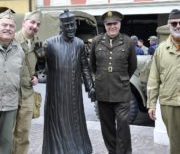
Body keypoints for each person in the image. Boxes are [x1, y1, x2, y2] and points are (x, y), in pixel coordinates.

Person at [42, 9, 95, 154]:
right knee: (58, 124)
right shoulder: (50, 44)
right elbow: (39, 65)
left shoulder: (79, 44)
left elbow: (85, 67)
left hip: (73, 93)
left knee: (76, 123)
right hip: (56, 95)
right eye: (67, 26)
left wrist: (90, 87)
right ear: (61, 27)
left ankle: (78, 149)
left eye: (73, 25)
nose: (71, 28)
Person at [90, 11, 137, 154]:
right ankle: (112, 151)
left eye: (115, 23)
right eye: (108, 24)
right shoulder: (97, 41)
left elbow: (132, 66)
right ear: (104, 25)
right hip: (103, 90)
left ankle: (124, 152)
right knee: (107, 126)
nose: (112, 27)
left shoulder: (127, 41)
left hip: (121, 91)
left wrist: (121, 78)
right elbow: (92, 65)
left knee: (123, 124)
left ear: (119, 24)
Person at [147, 9, 180, 154]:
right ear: (169, 25)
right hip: (170, 103)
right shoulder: (161, 49)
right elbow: (154, 79)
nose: (178, 26)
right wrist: (151, 104)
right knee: (175, 143)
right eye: (174, 23)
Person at [13, 11, 42, 154]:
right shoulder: (11, 39)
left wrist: (35, 76)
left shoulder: (36, 43)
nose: (34, 26)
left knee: (23, 132)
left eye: (38, 24)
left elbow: (32, 65)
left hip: (27, 93)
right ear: (24, 22)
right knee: (8, 132)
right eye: (32, 22)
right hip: (11, 93)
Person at [0, 9, 24, 154]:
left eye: (11, 26)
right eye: (4, 25)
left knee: (6, 142)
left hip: (10, 104)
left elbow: (21, 75)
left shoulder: (19, 50)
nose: (8, 29)